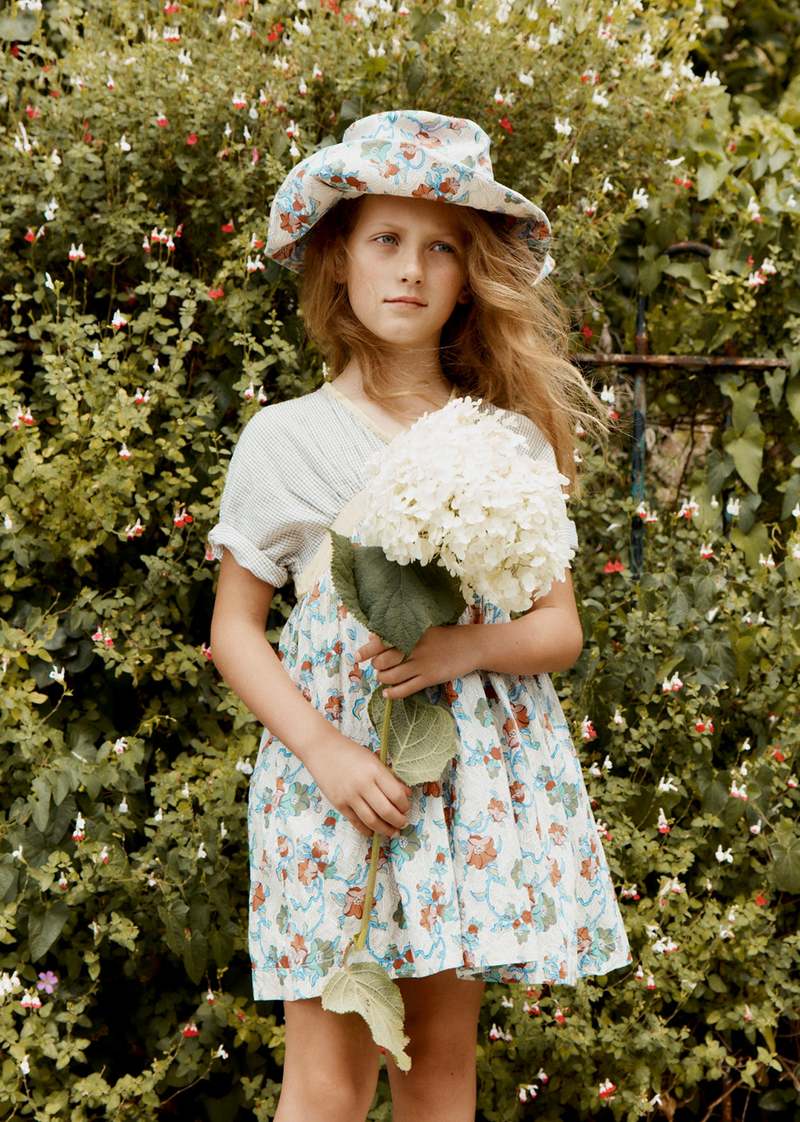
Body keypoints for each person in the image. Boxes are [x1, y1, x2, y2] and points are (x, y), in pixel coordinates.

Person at [207, 109, 632, 1122]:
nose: (411, 269)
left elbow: (557, 630)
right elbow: (233, 630)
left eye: (441, 248)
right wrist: (324, 752)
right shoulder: (286, 441)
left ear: (469, 276)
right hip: (338, 792)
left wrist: (459, 649)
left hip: (462, 797)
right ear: (339, 261)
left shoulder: (506, 441)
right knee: (326, 1084)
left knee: (439, 1076)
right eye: (386, 240)